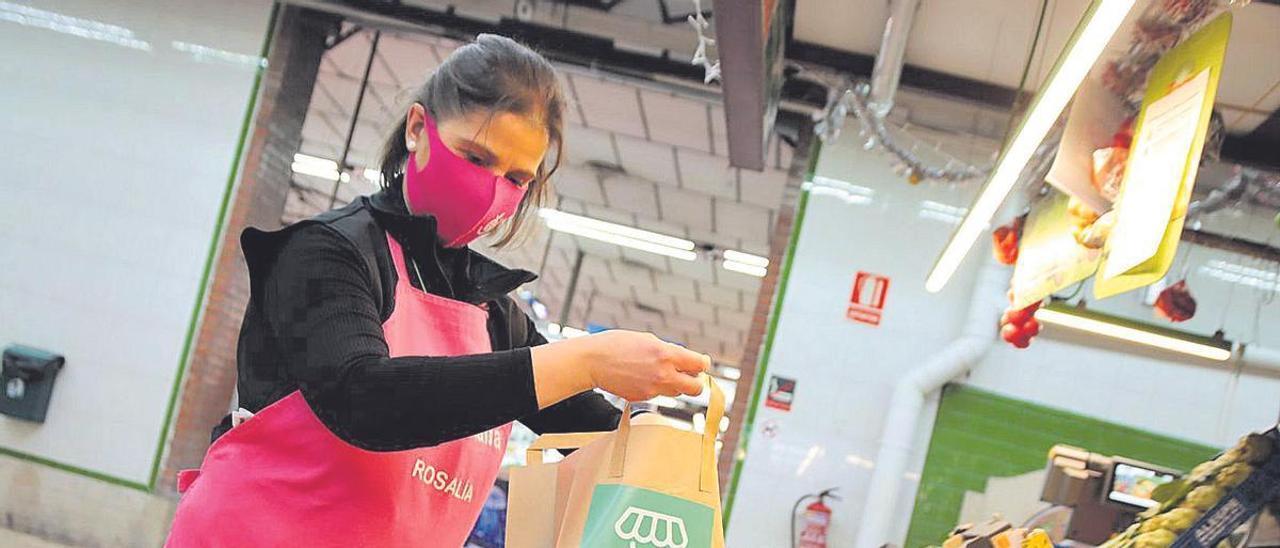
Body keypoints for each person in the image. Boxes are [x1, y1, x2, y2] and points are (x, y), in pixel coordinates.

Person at [164, 34, 710, 547]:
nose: (491, 190)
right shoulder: (328, 254)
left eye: (517, 179)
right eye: (476, 158)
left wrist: (653, 435)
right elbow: (363, 400)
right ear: (418, 130)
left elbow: (586, 426)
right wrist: (585, 358)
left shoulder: (492, 314)